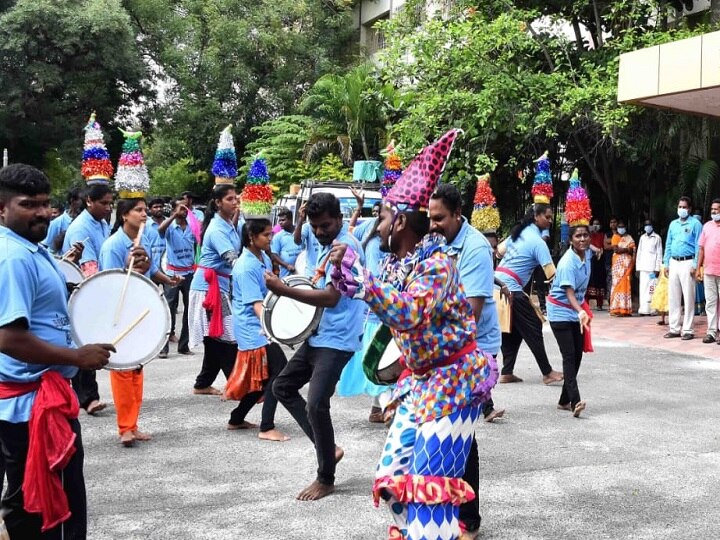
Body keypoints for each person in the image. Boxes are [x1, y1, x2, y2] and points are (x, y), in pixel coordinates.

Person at [327, 129, 497, 540]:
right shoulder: (395, 267)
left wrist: (362, 281)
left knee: (429, 493)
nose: (378, 225)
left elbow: (411, 312)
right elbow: (379, 307)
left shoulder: (437, 264)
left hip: (455, 386)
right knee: (395, 474)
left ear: (400, 220)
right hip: (421, 384)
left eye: (383, 216)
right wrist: (346, 278)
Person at [0, 164, 114, 538]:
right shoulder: (13, 257)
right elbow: (9, 338)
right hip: (33, 406)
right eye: (28, 204)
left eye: (46, 204)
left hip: (38, 400)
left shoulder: (31, 249)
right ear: (2, 209)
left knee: (28, 501)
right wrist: (77, 358)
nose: (42, 213)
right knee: (53, 509)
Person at [267, 192, 365, 501]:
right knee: (282, 386)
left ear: (339, 219)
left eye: (325, 225)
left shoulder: (347, 248)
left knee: (316, 403)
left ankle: (326, 478)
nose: (319, 232)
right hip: (316, 333)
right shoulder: (312, 232)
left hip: (338, 338)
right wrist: (301, 222)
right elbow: (303, 242)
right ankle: (328, 448)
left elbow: (332, 297)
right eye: (315, 225)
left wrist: (283, 290)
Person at [428, 184, 504, 540]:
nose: (434, 224)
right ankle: (446, 507)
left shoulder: (474, 248)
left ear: (458, 214)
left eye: (439, 218)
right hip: (447, 348)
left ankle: (469, 519)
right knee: (447, 432)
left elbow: (469, 315)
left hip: (476, 351)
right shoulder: (439, 243)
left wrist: (429, 342)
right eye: (430, 218)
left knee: (463, 434)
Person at [99, 198, 181, 446]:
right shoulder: (113, 246)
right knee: (123, 370)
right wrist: (129, 269)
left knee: (137, 368)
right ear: (124, 215)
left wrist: (168, 280)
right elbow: (109, 283)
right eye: (139, 210)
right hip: (120, 314)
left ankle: (132, 424)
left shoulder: (141, 240)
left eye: (145, 210)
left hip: (139, 311)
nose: (145, 214)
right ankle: (125, 427)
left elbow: (151, 269)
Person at [227, 219, 290, 441]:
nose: (270, 238)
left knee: (263, 378)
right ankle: (266, 427)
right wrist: (276, 329)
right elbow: (255, 304)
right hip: (254, 327)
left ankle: (236, 418)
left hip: (260, 325)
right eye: (265, 235)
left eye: (270, 234)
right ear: (251, 238)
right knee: (279, 371)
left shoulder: (260, 257)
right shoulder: (245, 266)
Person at [495, 204, 563, 385]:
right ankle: (547, 372)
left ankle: (506, 372)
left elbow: (498, 252)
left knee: (513, 331)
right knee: (533, 325)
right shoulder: (538, 242)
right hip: (511, 289)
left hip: (496, 285)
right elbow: (551, 274)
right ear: (536, 217)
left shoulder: (517, 235)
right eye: (547, 217)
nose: (550, 221)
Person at [62, 183, 113, 416]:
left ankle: (86, 395)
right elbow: (89, 268)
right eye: (103, 203)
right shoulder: (80, 228)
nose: (108, 207)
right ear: (89, 202)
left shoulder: (102, 223)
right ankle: (87, 398)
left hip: (94, 288)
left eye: (109, 203)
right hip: (81, 289)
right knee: (83, 343)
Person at [188, 185, 241, 395]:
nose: (235, 202)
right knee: (227, 337)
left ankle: (203, 383)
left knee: (215, 337)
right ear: (218, 203)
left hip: (218, 285)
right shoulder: (218, 229)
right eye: (230, 199)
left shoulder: (227, 224)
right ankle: (236, 385)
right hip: (209, 288)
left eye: (236, 198)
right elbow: (231, 259)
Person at [338, 193, 386, 419]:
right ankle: (386, 409)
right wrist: (358, 208)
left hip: (385, 305)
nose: (379, 219)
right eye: (378, 215)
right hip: (374, 307)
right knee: (378, 356)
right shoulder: (367, 234)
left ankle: (379, 408)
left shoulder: (393, 239)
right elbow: (350, 235)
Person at [547, 224, 592, 418]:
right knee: (569, 355)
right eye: (578, 236)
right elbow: (570, 294)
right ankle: (575, 401)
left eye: (585, 235)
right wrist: (581, 310)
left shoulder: (587, 255)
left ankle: (564, 400)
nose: (582, 239)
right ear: (571, 240)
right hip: (559, 312)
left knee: (578, 355)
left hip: (576, 312)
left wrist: (581, 311)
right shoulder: (567, 263)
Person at [157, 199, 196, 357]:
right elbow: (160, 230)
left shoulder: (192, 227)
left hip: (189, 273)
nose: (184, 210)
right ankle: (163, 348)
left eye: (186, 207)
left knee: (189, 310)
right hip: (172, 274)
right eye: (181, 207)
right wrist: (174, 216)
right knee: (168, 309)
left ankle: (184, 345)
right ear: (173, 210)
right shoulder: (170, 228)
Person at [663, 196, 702, 340]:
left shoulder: (696, 224)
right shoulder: (673, 224)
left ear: (690, 209)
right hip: (674, 261)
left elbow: (699, 246)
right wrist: (666, 263)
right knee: (673, 296)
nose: (682, 210)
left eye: (684, 207)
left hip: (688, 262)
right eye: (680, 207)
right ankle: (674, 328)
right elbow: (668, 244)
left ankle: (688, 330)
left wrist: (695, 264)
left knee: (688, 296)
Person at [697, 199, 720, 344]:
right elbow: (701, 248)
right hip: (708, 270)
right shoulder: (707, 226)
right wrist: (698, 267)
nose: (714, 212)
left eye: (717, 210)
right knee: (710, 302)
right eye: (712, 209)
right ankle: (711, 332)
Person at [42, 186, 83, 254]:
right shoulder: (57, 223)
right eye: (82, 200)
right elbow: (45, 247)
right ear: (72, 200)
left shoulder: (86, 222)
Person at [635, 219, 663, 316]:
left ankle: (651, 310)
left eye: (649, 225)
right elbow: (639, 253)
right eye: (646, 225)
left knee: (651, 289)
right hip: (643, 268)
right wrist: (637, 268)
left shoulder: (657, 238)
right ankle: (643, 309)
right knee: (642, 289)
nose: (647, 227)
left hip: (652, 269)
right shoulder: (642, 238)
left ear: (652, 226)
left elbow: (659, 254)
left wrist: (657, 268)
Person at [609, 220, 635, 317]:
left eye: (622, 226)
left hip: (627, 266)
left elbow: (633, 250)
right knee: (617, 285)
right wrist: (627, 249)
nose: (621, 228)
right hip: (617, 265)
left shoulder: (629, 238)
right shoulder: (615, 237)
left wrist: (626, 250)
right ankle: (616, 309)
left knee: (626, 285)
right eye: (619, 227)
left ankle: (625, 309)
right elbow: (616, 250)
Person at [270, 207, 301, 278]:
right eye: (279, 221)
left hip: (302, 272)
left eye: (283, 220)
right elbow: (274, 254)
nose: (280, 223)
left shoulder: (300, 232)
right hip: (286, 275)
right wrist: (287, 265)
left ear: (290, 220)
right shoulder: (278, 236)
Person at [293, 203, 320, 278]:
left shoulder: (328, 225)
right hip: (311, 273)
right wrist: (301, 218)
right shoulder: (307, 227)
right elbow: (297, 241)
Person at [587, 218, 607, 310]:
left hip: (600, 260)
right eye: (594, 224)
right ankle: (586, 304)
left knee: (600, 282)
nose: (596, 226)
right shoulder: (588, 235)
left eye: (597, 224)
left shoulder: (603, 235)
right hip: (591, 260)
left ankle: (600, 304)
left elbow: (605, 245)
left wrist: (600, 251)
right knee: (589, 282)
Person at [146, 197, 167, 269]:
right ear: (149, 209)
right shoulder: (145, 225)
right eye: (155, 207)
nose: (159, 209)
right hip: (152, 267)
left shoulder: (171, 223)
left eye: (161, 206)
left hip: (169, 267)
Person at [603, 216, 618, 298]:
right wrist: (615, 244)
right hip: (609, 260)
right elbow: (605, 246)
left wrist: (611, 242)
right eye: (611, 222)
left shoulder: (621, 233)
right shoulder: (607, 234)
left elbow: (622, 244)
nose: (613, 224)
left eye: (614, 222)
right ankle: (610, 299)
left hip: (619, 260)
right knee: (609, 280)